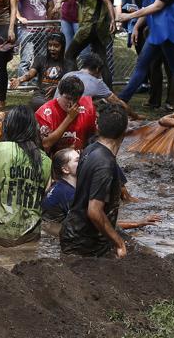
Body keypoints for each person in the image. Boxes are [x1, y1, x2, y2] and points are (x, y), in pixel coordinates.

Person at [60, 102, 130, 258]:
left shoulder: (90, 149)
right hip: (85, 242)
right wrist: (119, 243)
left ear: (98, 126)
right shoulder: (105, 164)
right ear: (124, 133)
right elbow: (94, 211)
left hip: (74, 231)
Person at [0, 105, 51, 247]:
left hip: (0, 231)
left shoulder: (1, 150)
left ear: (9, 126)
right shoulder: (45, 159)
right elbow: (44, 192)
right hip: (31, 233)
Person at [65, 0, 115, 88]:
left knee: (69, 56)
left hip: (90, 27)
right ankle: (107, 93)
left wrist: (112, 20)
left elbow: (107, 1)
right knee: (102, 61)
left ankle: (74, 88)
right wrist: (60, 0)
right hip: (94, 28)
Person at [11, 32, 74, 111]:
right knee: (36, 102)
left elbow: (70, 84)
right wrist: (19, 80)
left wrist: (57, 88)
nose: (52, 48)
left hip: (59, 96)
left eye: (56, 46)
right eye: (50, 45)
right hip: (41, 95)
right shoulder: (40, 59)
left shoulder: (69, 64)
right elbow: (30, 74)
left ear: (62, 46)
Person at [36, 75, 96, 154]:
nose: (71, 103)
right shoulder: (45, 113)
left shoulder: (88, 107)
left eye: (76, 99)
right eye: (68, 98)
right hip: (56, 158)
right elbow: (46, 144)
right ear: (60, 93)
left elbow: (93, 136)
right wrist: (69, 118)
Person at [15, 0, 54, 77]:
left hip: (42, 29)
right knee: (26, 59)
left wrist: (48, 21)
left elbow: (50, 5)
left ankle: (38, 80)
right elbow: (14, 3)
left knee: (41, 58)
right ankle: (23, 82)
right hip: (27, 29)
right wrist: (19, 17)